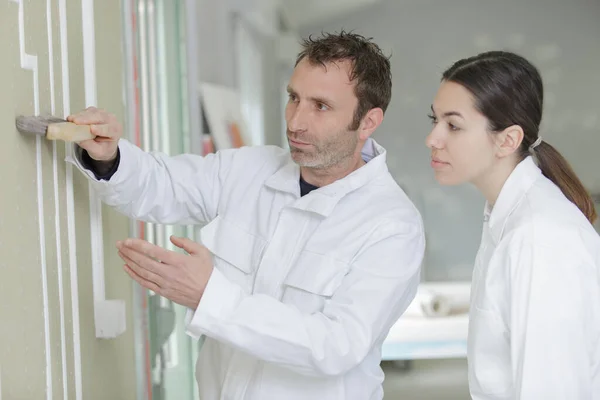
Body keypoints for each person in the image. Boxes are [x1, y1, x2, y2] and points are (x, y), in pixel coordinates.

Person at [67, 31, 425, 399]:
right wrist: (107, 155)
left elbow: (336, 346)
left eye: (320, 106)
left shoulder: (393, 225)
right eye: (293, 98)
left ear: (368, 122)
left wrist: (210, 295)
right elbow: (161, 183)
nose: (296, 121)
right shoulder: (250, 168)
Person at [426, 50, 600, 399]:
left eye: (453, 125)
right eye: (435, 120)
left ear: (508, 140)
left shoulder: (540, 238)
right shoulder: (508, 217)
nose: (433, 139)